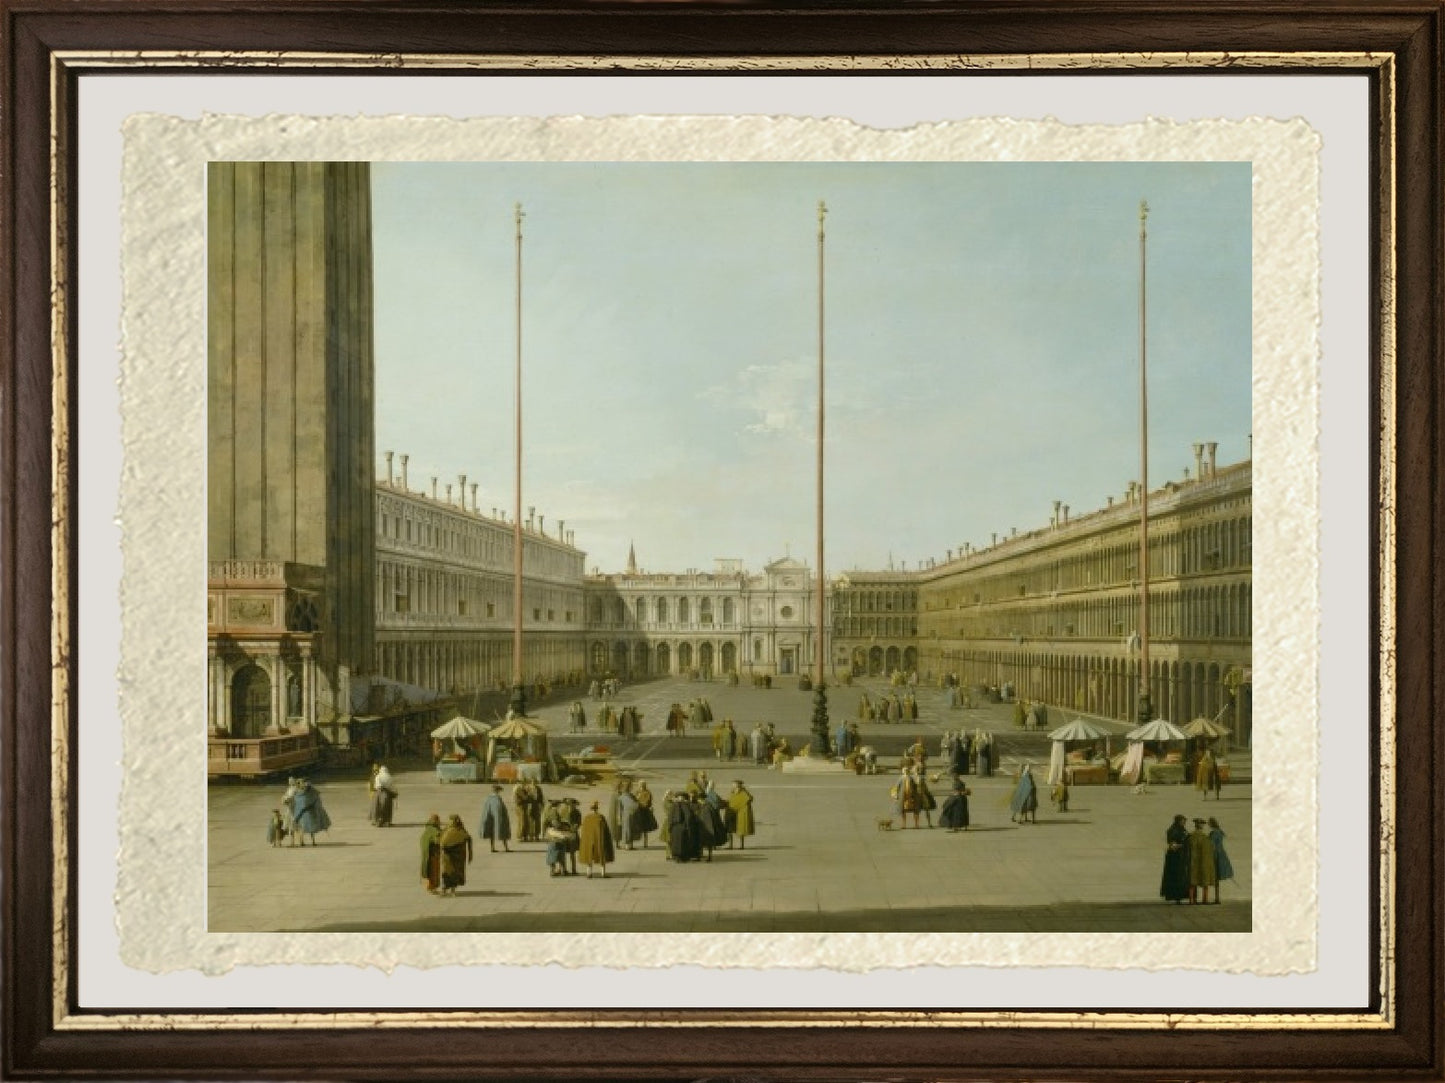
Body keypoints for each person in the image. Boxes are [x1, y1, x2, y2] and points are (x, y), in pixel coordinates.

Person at [578, 800, 616, 878]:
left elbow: (584, 831)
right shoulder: (600, 817)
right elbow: (605, 831)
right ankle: (603, 873)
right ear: (597, 809)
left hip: (589, 840)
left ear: (590, 809)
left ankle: (589, 873)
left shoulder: (587, 818)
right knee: (602, 854)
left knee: (589, 854)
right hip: (599, 840)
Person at [438, 813, 472, 896]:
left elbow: (441, 841)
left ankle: (449, 890)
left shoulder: (454, 830)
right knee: (449, 872)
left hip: (452, 856)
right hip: (451, 857)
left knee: (450, 872)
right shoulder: (459, 829)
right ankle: (447, 890)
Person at [290, 778, 332, 846]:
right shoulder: (299, 792)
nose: (302, 784)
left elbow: (307, 801)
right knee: (304, 827)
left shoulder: (306, 791)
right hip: (306, 812)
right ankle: (304, 841)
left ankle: (309, 841)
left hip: (308, 812)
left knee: (305, 827)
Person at [1160, 813, 1190, 903]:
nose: (1184, 823)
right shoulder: (1173, 830)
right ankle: (1176, 897)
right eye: (1183, 821)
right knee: (1176, 876)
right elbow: (1172, 845)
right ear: (1178, 821)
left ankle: (1180, 896)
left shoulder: (1182, 829)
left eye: (1184, 821)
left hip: (1181, 856)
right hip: (1175, 858)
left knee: (1181, 876)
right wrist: (1182, 845)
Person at [1188, 816, 1219, 904]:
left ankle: (1192, 900)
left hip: (1194, 861)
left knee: (1193, 880)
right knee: (1204, 880)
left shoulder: (1191, 836)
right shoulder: (1204, 837)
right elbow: (1209, 850)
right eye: (1201, 824)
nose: (1202, 825)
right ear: (1200, 826)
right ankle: (1204, 900)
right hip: (1202, 861)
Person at [479, 784, 512, 852]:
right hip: (498, 818)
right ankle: (506, 848)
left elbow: (486, 810)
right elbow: (499, 809)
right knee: (502, 831)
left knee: (492, 833)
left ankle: (492, 848)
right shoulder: (497, 799)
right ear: (497, 790)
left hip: (490, 818)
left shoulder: (488, 798)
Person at [1208, 817, 1234, 892]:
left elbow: (1211, 844)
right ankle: (1217, 897)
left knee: (1216, 874)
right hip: (1222, 853)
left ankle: (1217, 897)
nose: (1208, 824)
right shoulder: (1220, 831)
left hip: (1215, 854)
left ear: (1211, 823)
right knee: (1218, 875)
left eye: (1209, 823)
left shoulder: (1214, 833)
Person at [419, 813, 443, 894]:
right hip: (433, 855)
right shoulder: (434, 830)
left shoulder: (427, 830)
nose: (439, 822)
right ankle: (431, 888)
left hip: (427, 855)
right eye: (438, 820)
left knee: (429, 871)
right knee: (433, 871)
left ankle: (430, 887)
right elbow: (437, 840)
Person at [633, 781, 658, 848]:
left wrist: (642, 803)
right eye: (640, 784)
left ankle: (645, 843)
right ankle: (632, 842)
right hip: (638, 811)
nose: (641, 786)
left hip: (645, 811)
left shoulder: (647, 792)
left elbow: (648, 801)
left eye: (643, 784)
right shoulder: (637, 792)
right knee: (636, 827)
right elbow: (634, 800)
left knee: (645, 829)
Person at [616, 780, 640, 850]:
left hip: (628, 815)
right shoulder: (624, 796)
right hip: (627, 815)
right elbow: (620, 809)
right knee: (627, 830)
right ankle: (627, 845)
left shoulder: (625, 796)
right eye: (630, 787)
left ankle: (629, 845)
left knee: (629, 829)